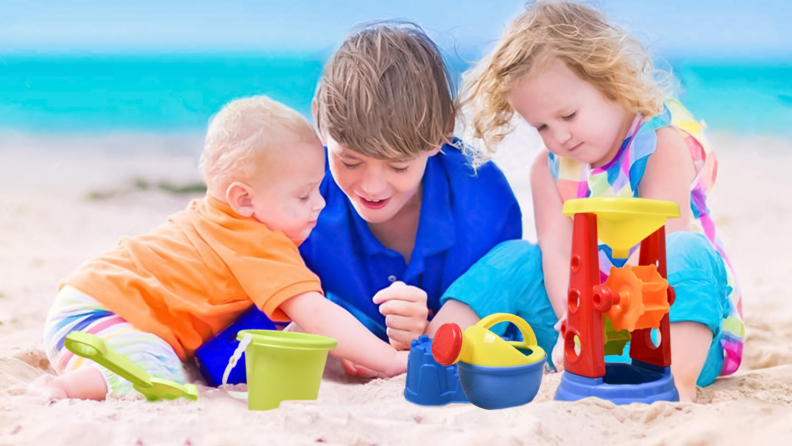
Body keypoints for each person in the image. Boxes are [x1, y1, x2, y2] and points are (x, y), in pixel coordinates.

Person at [203, 22, 530, 378]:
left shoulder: (483, 203)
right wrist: (342, 342)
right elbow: (229, 324)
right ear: (319, 120)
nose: (372, 188)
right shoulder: (295, 196)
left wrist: (424, 328)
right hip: (337, 324)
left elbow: (502, 321)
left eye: (399, 165)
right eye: (350, 161)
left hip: (446, 339)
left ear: (442, 132)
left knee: (518, 260)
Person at [30, 96, 408, 400]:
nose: (320, 204)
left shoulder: (215, 217)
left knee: (162, 362)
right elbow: (315, 314)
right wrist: (388, 358)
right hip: (102, 316)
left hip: (83, 306)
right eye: (304, 194)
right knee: (158, 372)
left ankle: (86, 373)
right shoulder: (260, 243)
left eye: (318, 189)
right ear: (244, 199)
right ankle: (66, 389)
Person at [461, 1, 743, 401]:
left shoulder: (659, 143)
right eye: (541, 125)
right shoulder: (550, 169)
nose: (559, 136)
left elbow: (662, 254)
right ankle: (444, 347)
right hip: (589, 321)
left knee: (685, 250)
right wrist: (574, 321)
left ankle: (672, 386)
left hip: (671, 325)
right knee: (516, 258)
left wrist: (613, 316)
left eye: (569, 114)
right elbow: (558, 254)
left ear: (609, 78)